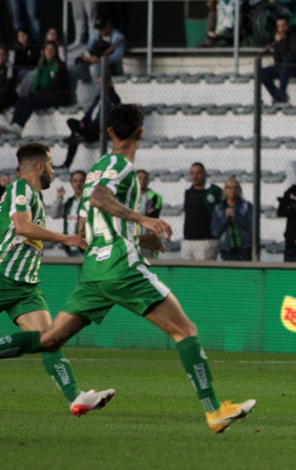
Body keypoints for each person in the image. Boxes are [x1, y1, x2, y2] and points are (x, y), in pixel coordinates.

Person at [0, 106, 256, 434]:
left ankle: (75, 395)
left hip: (93, 273)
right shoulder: (120, 166)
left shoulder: (97, 168)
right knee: (185, 330)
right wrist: (142, 218)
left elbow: (92, 219)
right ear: (141, 133)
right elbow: (99, 199)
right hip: (121, 266)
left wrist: (141, 235)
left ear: (109, 133)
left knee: (49, 340)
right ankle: (215, 410)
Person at [0, 142, 114, 416]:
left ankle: (76, 397)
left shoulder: (34, 197)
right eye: (50, 165)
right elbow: (22, 226)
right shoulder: (20, 188)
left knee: (50, 339)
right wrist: (66, 238)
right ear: (39, 167)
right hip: (3, 275)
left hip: (25, 285)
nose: (52, 171)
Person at [0, 42, 70, 136]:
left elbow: (56, 85)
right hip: (42, 94)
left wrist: (39, 93)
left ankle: (19, 126)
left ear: (56, 52)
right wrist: (34, 92)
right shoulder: (42, 65)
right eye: (47, 50)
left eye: (52, 50)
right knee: (22, 99)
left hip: (56, 95)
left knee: (31, 100)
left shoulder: (60, 66)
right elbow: (36, 82)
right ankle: (14, 124)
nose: (49, 52)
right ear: (44, 52)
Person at [55, 77, 121, 170]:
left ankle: (67, 163)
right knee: (71, 121)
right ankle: (80, 135)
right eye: (99, 83)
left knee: (74, 135)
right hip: (88, 128)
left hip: (99, 130)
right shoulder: (99, 97)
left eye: (102, 83)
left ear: (109, 83)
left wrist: (86, 126)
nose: (100, 86)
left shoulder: (113, 98)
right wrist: (83, 121)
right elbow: (90, 112)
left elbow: (104, 119)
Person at [69, 17, 126, 101]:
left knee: (94, 68)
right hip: (91, 65)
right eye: (99, 28)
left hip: (109, 68)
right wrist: (87, 56)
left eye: (102, 28)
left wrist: (100, 60)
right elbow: (87, 48)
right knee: (73, 70)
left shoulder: (118, 36)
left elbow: (118, 56)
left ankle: (98, 98)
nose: (100, 31)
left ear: (108, 25)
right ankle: (71, 100)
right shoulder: (96, 34)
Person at [261, 16, 296, 105]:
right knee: (262, 73)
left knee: (286, 63)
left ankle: (280, 96)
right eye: (279, 26)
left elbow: (292, 56)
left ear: (288, 25)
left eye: (284, 26)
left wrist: (282, 42)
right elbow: (277, 60)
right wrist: (277, 43)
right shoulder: (279, 39)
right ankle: (277, 96)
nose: (282, 29)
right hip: (285, 68)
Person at [182, 162, 223, 261]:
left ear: (205, 174)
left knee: (204, 273)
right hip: (188, 239)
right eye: (192, 173)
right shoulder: (188, 191)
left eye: (198, 173)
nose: (195, 176)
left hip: (206, 240)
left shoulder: (214, 191)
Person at [211, 177, 253, 261]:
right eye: (229, 188)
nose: (232, 190)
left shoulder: (247, 206)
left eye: (235, 187)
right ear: (225, 190)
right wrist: (225, 219)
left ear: (239, 190)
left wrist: (237, 217)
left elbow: (252, 228)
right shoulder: (219, 208)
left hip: (245, 248)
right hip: (226, 249)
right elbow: (215, 232)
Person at [51, 170, 86, 257]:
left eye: (81, 181)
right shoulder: (69, 202)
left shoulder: (88, 202)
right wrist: (59, 198)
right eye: (75, 181)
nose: (78, 184)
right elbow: (54, 215)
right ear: (71, 183)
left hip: (84, 247)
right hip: (70, 248)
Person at [137, 169, 163, 260]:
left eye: (145, 178)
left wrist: (136, 215)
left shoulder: (156, 196)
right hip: (134, 234)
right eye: (140, 178)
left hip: (149, 233)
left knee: (150, 260)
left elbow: (153, 214)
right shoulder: (131, 196)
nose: (143, 181)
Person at [0, 45, 18, 113]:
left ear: (7, 56)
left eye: (3, 54)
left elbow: (8, 85)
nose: (1, 56)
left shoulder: (10, 68)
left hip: (8, 96)